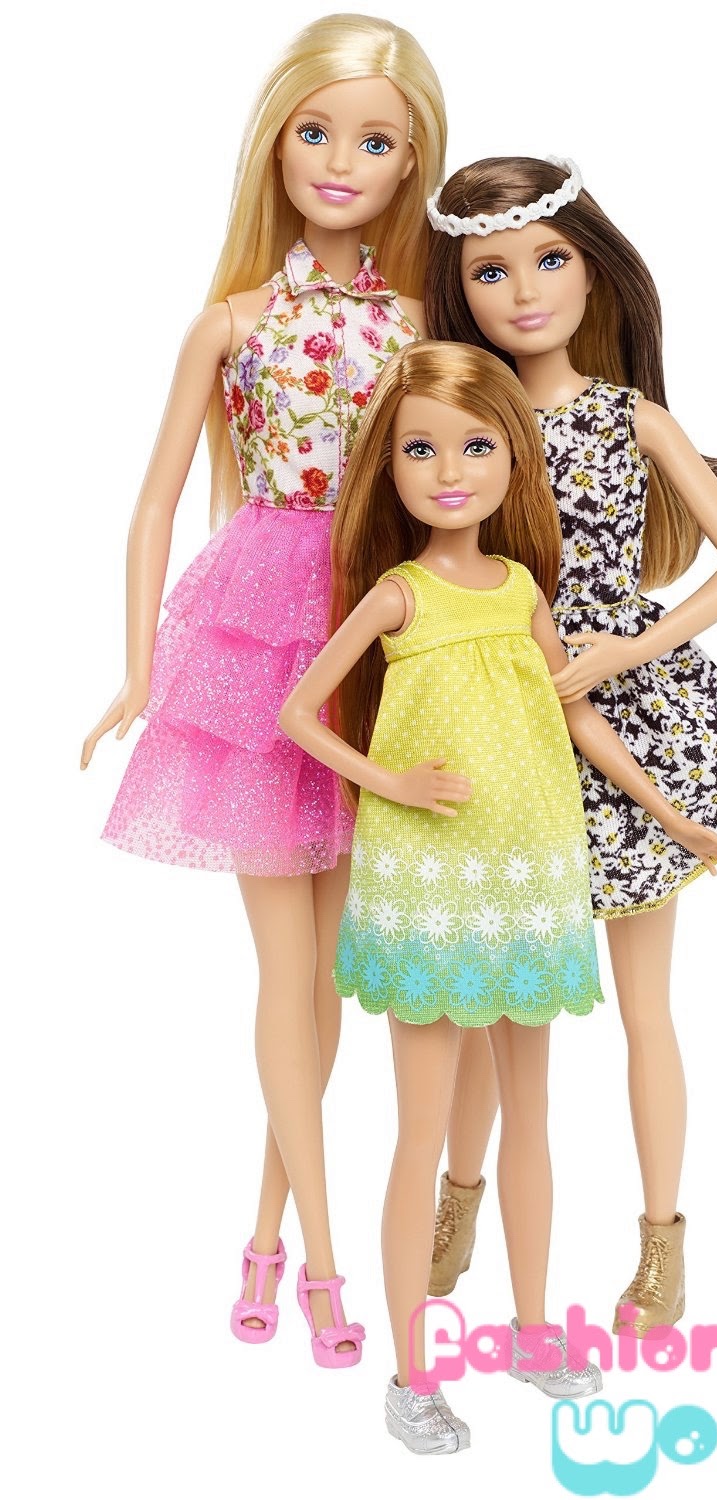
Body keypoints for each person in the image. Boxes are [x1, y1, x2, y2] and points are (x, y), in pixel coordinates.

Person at [275, 338, 717, 1450]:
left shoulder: (526, 588)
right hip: (430, 881)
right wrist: (390, 780)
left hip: (531, 873)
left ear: (514, 459)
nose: (450, 472)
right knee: (421, 1130)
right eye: (421, 450)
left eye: (476, 447)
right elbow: (298, 713)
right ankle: (412, 1376)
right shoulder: (398, 595)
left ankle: (535, 1333)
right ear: (388, 466)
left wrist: (672, 814)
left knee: (531, 1116)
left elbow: (574, 713)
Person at [80, 13, 446, 1362]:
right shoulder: (229, 323)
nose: (340, 161)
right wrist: (138, 666)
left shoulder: (421, 326)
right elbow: (155, 500)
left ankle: (262, 1231)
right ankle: (323, 1263)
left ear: (411, 165)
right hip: (250, 639)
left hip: (376, 631)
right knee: (284, 966)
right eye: (316, 132)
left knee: (335, 969)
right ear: (274, 144)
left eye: (374, 142)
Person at [423, 156, 717, 1336]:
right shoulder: (466, 415)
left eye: (548, 260)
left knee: (645, 1004)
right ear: (458, 291)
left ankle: (661, 1242)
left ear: (594, 272)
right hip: (500, 709)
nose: (523, 292)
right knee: (495, 999)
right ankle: (458, 1200)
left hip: (626, 700)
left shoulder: (629, 417)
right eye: (490, 272)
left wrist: (628, 651)